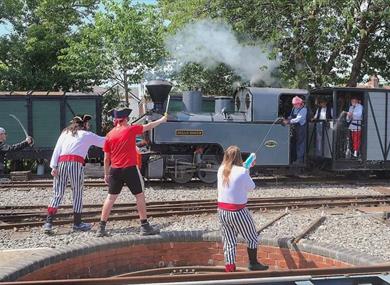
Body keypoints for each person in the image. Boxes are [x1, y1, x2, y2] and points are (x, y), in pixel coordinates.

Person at [96, 107, 167, 237]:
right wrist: (162, 120)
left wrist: (106, 174)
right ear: (126, 119)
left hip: (115, 170)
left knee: (110, 198)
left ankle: (101, 228)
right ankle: (144, 226)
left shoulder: (109, 135)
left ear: (116, 120)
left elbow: (106, 159)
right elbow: (149, 126)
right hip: (130, 168)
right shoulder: (130, 129)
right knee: (139, 195)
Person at [43, 114, 105, 234]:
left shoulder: (66, 132)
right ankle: (77, 223)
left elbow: (57, 148)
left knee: (57, 193)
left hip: (61, 163)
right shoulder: (87, 134)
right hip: (76, 164)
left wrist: (53, 166)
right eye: (88, 124)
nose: (89, 126)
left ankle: (48, 223)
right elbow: (104, 142)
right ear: (85, 124)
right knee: (77, 193)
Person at [217, 145, 268, 272]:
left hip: (222, 212)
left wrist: (245, 168)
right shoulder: (242, 171)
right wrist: (247, 169)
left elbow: (235, 175)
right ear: (239, 157)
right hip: (238, 212)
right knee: (252, 237)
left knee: (229, 241)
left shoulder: (221, 169)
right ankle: (253, 263)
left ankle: (230, 268)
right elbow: (251, 187)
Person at [283, 96, 307, 164]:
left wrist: (288, 121)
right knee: (294, 143)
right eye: (294, 104)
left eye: (296, 104)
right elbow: (291, 116)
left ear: (300, 103)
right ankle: (294, 158)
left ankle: (300, 160)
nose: (294, 106)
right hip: (295, 128)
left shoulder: (304, 110)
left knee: (300, 144)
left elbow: (298, 119)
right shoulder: (294, 108)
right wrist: (287, 118)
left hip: (301, 128)